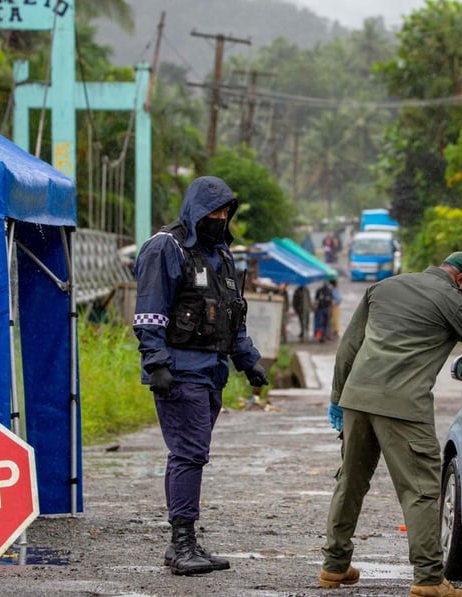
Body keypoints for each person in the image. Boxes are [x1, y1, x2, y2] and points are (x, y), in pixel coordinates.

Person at [319, 251, 462, 597]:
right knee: (421, 490)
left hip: (357, 399)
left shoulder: (384, 287)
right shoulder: (453, 300)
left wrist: (337, 398)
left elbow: (349, 347)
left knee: (351, 482)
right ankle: (430, 579)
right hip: (403, 405)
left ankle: (334, 565)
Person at [133, 176, 269, 576]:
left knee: (192, 455)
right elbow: (149, 312)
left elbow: (232, 316)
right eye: (213, 211)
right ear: (195, 210)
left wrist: (248, 361)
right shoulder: (166, 248)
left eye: (226, 211)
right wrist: (155, 362)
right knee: (189, 454)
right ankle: (181, 542)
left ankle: (184, 543)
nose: (220, 218)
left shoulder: (222, 256)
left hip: (212, 372)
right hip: (179, 372)